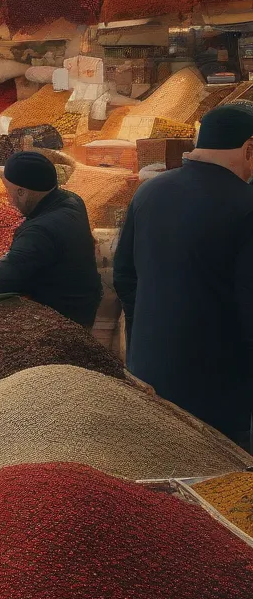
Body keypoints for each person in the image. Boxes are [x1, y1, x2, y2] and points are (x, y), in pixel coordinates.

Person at [114, 106, 253, 445]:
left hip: (150, 371)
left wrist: (147, 336)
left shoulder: (149, 192)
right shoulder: (246, 205)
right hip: (218, 386)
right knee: (221, 483)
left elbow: (124, 276)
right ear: (249, 148)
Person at [0, 151, 102, 327]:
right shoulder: (72, 200)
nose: (9, 201)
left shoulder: (40, 232)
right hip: (83, 301)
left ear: (22, 192)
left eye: (8, 192)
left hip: (61, 321)